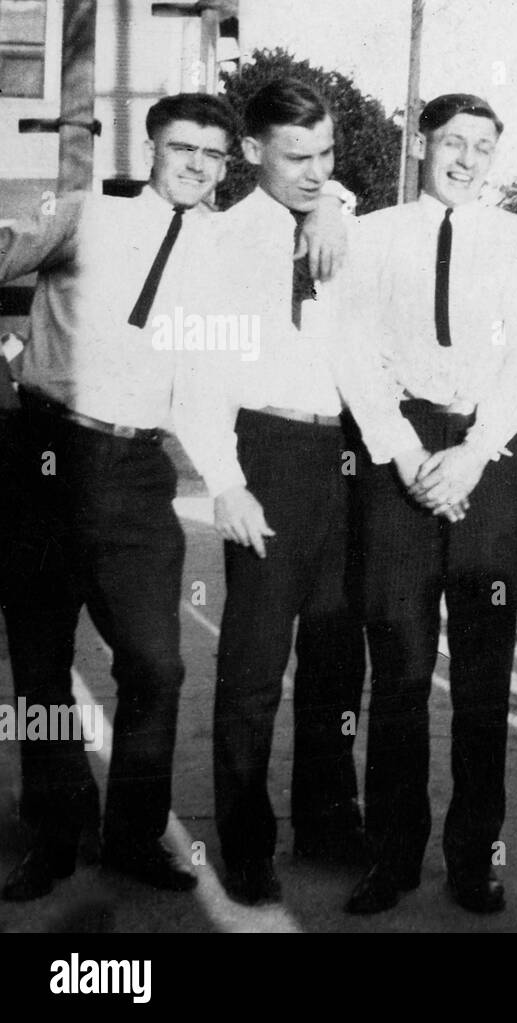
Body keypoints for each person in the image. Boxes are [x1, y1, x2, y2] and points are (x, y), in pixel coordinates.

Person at [0, 93, 239, 900]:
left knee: (156, 664)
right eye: (184, 148)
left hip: (138, 472)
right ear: (152, 145)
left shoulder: (222, 250)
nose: (197, 165)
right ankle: (56, 830)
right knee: (40, 661)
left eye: (213, 154)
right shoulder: (83, 216)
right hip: (43, 454)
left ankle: (135, 832)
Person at [336, 93, 517, 916]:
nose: (464, 158)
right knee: (401, 672)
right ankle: (392, 856)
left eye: (481, 146)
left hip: (489, 452)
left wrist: (474, 452)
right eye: (451, 140)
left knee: (485, 674)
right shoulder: (373, 235)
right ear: (419, 142)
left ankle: (473, 857)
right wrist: (409, 452)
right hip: (401, 453)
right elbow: (352, 349)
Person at [174, 78, 374, 906]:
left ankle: (328, 821)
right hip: (268, 450)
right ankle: (246, 844)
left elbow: (343, 198)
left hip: (346, 454)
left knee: (335, 655)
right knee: (254, 663)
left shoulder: (339, 214)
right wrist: (226, 483)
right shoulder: (216, 243)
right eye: (297, 157)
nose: (315, 171)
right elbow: (196, 379)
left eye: (327, 154)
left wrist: (331, 199)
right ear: (251, 151)